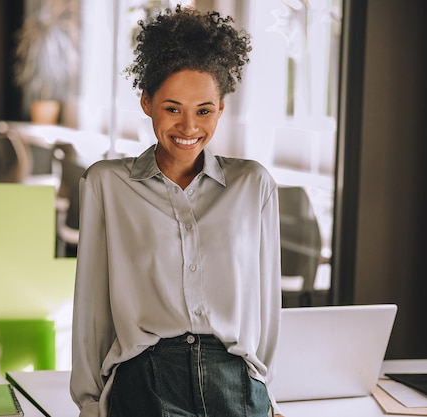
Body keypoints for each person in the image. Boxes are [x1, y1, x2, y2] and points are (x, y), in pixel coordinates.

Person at [70, 5, 285, 417]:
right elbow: (91, 308)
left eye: (204, 110)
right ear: (147, 103)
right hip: (146, 380)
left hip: (236, 382)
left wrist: (265, 392)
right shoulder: (107, 184)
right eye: (173, 109)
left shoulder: (253, 184)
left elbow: (266, 304)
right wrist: (90, 404)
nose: (189, 127)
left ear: (221, 109)